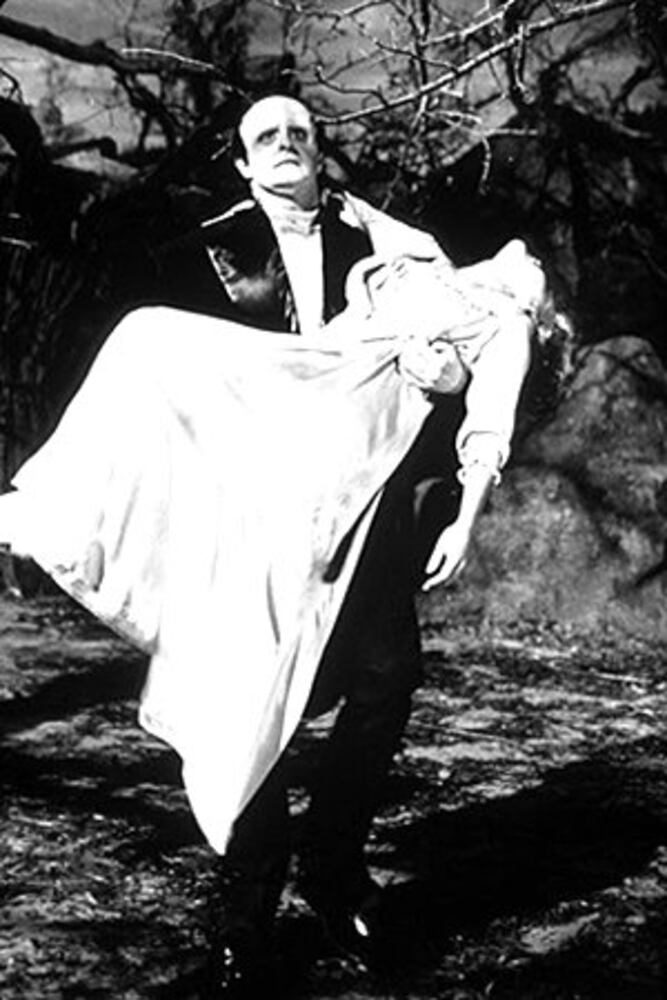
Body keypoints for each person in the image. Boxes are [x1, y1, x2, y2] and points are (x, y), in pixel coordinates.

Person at [0, 94, 543, 998]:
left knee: (387, 674)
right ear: (244, 165)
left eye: (301, 133)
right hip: (241, 510)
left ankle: (334, 870)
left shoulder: (380, 246)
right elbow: (169, 382)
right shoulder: (195, 253)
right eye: (266, 136)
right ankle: (246, 911)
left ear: (321, 155)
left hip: (356, 506)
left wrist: (448, 383)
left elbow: (469, 345)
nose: (286, 143)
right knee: (244, 687)